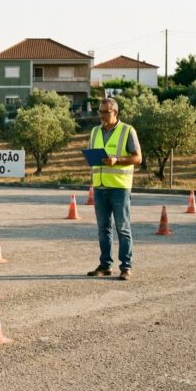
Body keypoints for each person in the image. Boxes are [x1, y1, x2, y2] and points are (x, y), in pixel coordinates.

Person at [86, 97, 142, 280]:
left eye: (105, 112)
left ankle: (126, 267)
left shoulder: (127, 130)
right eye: (100, 112)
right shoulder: (95, 131)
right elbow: (91, 154)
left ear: (115, 112)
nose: (102, 116)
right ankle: (105, 265)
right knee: (103, 228)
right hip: (100, 186)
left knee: (122, 228)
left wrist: (117, 160)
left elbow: (138, 158)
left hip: (119, 187)